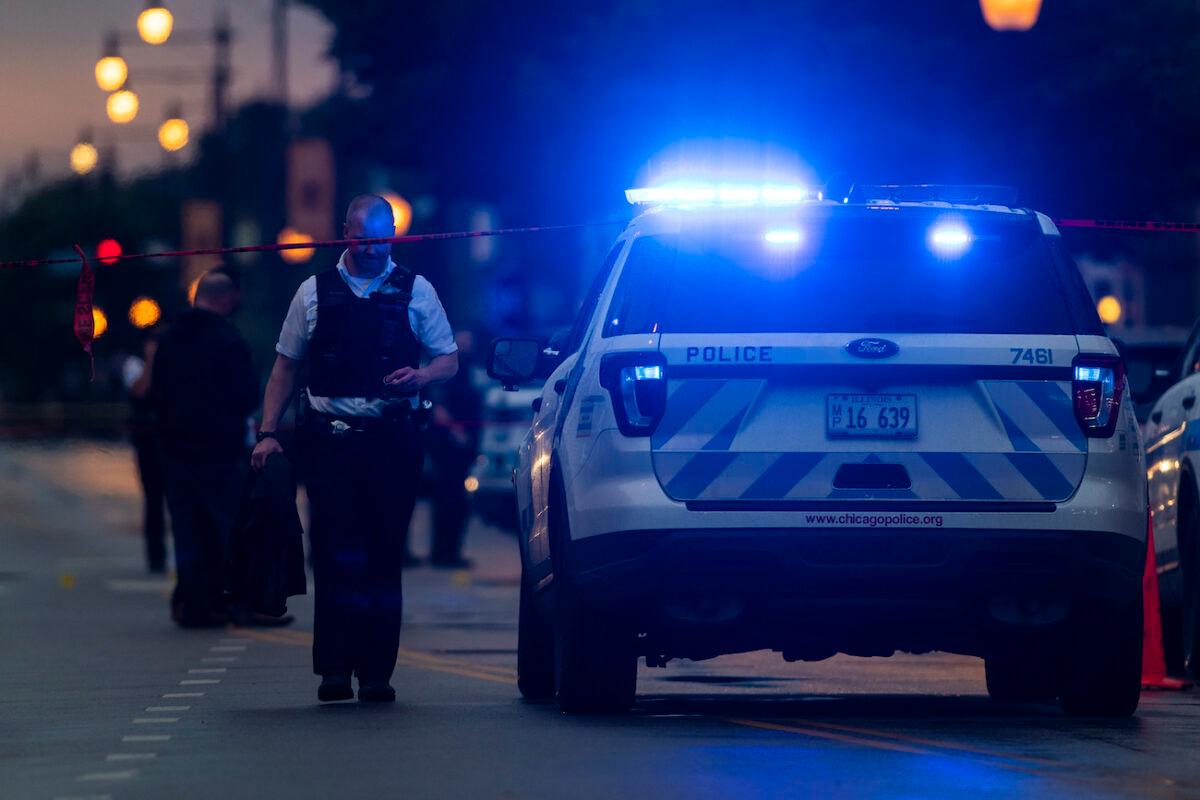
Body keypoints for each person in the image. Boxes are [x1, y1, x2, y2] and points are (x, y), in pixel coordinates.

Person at [251, 194, 458, 703]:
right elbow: (285, 366)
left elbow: (447, 358)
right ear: (346, 232)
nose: (373, 246)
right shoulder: (313, 292)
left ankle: (377, 672)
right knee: (334, 551)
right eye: (364, 236)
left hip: (394, 441)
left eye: (382, 236)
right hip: (330, 444)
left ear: (393, 234)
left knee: (384, 555)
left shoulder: (417, 291)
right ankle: (334, 671)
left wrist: (421, 374)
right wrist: (267, 433)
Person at [152, 269, 260, 627]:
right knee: (226, 525)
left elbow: (158, 394)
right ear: (226, 299)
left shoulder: (169, 338)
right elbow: (247, 394)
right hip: (219, 449)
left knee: (187, 527)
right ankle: (230, 599)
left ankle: (192, 602)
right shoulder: (228, 339)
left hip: (176, 448)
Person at [424, 330, 482, 568]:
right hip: (448, 446)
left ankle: (450, 550)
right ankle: (442, 552)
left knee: (458, 501)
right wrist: (454, 430)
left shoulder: (467, 369)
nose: (466, 345)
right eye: (462, 340)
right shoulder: (445, 368)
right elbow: (436, 403)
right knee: (447, 499)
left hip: (464, 445)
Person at [125, 334, 167, 573]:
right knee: (153, 498)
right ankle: (156, 556)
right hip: (147, 442)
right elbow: (140, 390)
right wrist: (152, 360)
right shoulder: (134, 365)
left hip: (171, 438)